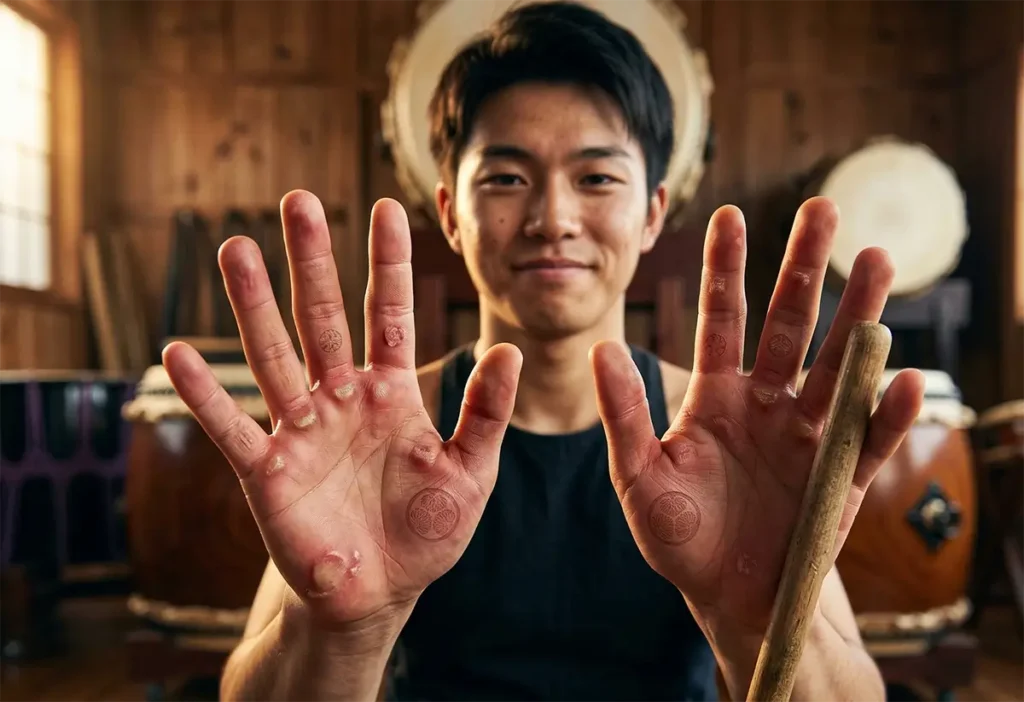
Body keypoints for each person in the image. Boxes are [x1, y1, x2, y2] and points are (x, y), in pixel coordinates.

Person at [161, 3, 924, 700]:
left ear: (653, 212)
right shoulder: (380, 435)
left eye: (596, 176)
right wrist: (338, 629)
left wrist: (762, 620)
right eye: (506, 177)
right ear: (451, 214)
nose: (553, 217)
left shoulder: (731, 444)